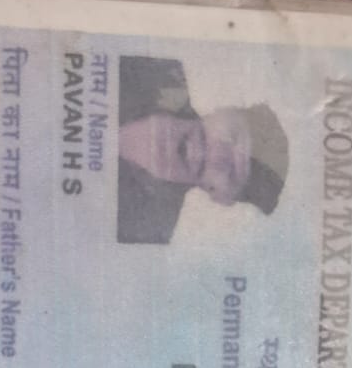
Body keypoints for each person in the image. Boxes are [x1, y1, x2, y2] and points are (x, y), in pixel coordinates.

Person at [117, 56, 289, 244]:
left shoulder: (145, 230)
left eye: (231, 172)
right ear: (224, 110)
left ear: (222, 198)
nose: (216, 154)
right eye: (232, 136)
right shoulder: (151, 69)